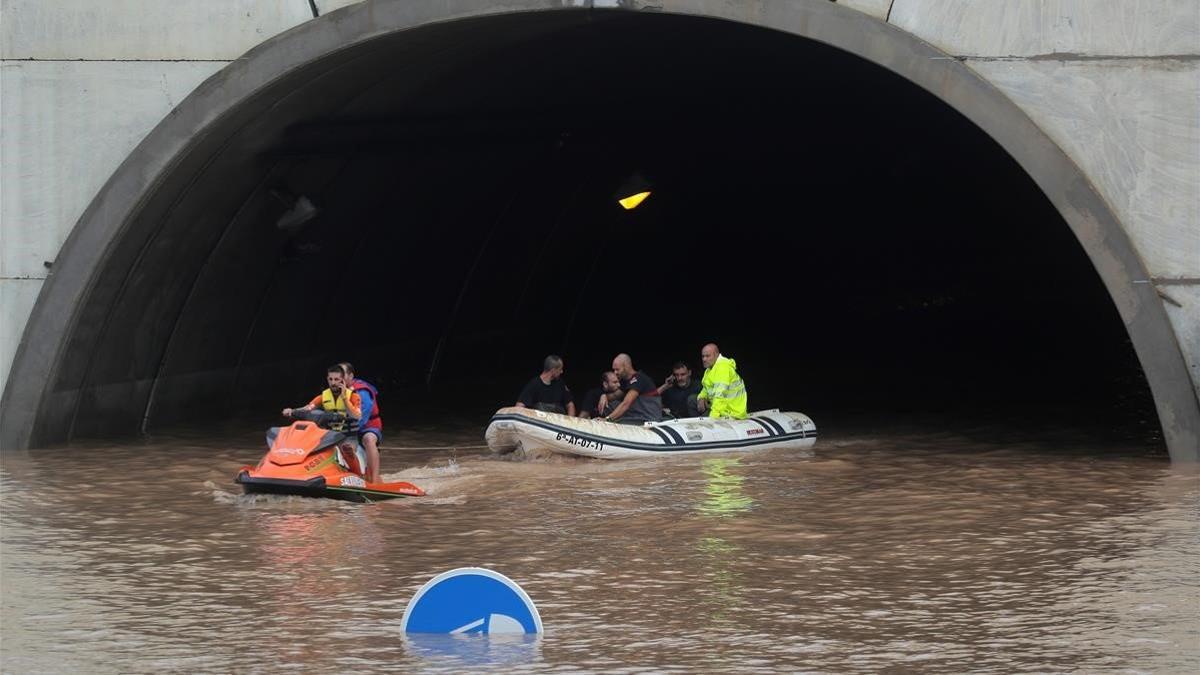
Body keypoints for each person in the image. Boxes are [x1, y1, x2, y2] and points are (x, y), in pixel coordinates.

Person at [340, 362, 383, 484]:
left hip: (368, 427)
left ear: (351, 376)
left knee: (369, 439)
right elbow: (316, 405)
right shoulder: (333, 392)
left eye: (343, 374)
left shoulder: (361, 391)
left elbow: (363, 415)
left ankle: (374, 478)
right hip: (346, 428)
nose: (340, 378)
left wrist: (348, 430)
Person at [283, 364, 362, 426]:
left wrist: (344, 398)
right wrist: (292, 411)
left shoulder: (353, 396)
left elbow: (357, 416)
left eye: (336, 379)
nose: (333, 383)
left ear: (342, 380)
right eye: (330, 379)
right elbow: (308, 408)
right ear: (327, 379)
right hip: (330, 435)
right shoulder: (323, 396)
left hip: (348, 436)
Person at [605, 353, 662, 424]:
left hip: (648, 419)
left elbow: (626, 404)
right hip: (636, 416)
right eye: (614, 370)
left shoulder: (639, 378)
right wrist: (604, 397)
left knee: (616, 422)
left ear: (626, 366)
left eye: (617, 369)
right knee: (610, 404)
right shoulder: (625, 381)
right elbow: (615, 396)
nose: (615, 372)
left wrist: (606, 420)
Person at [696, 343, 748, 419]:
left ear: (717, 355)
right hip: (720, 406)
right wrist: (701, 397)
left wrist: (713, 418)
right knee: (692, 400)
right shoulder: (710, 369)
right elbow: (706, 388)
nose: (704, 359)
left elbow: (720, 396)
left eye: (707, 356)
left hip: (731, 412)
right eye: (703, 356)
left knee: (700, 423)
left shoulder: (722, 368)